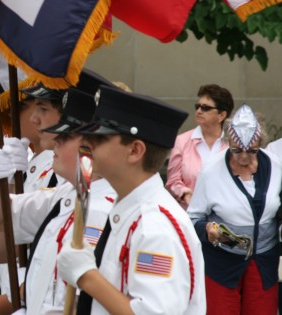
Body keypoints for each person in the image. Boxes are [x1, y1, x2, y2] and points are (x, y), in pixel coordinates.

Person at [56, 85, 205, 314]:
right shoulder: (130, 211)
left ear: (135, 150)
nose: (87, 143)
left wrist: (87, 277)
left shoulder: (155, 227)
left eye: (101, 138)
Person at [0, 85, 116, 315]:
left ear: (91, 145)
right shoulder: (64, 197)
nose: (57, 142)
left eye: (66, 136)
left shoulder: (106, 209)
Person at [188, 104, 281, 314]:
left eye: (252, 150)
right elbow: (192, 217)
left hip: (263, 261)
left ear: (261, 144)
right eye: (237, 150)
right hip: (221, 262)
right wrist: (207, 230)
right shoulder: (211, 170)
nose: (244, 157)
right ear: (228, 142)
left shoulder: (276, 167)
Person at [166, 84, 234, 208]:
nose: (199, 111)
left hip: (225, 216)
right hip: (190, 214)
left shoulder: (233, 144)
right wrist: (184, 193)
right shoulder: (181, 141)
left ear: (222, 115)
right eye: (197, 106)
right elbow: (172, 181)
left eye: (205, 108)